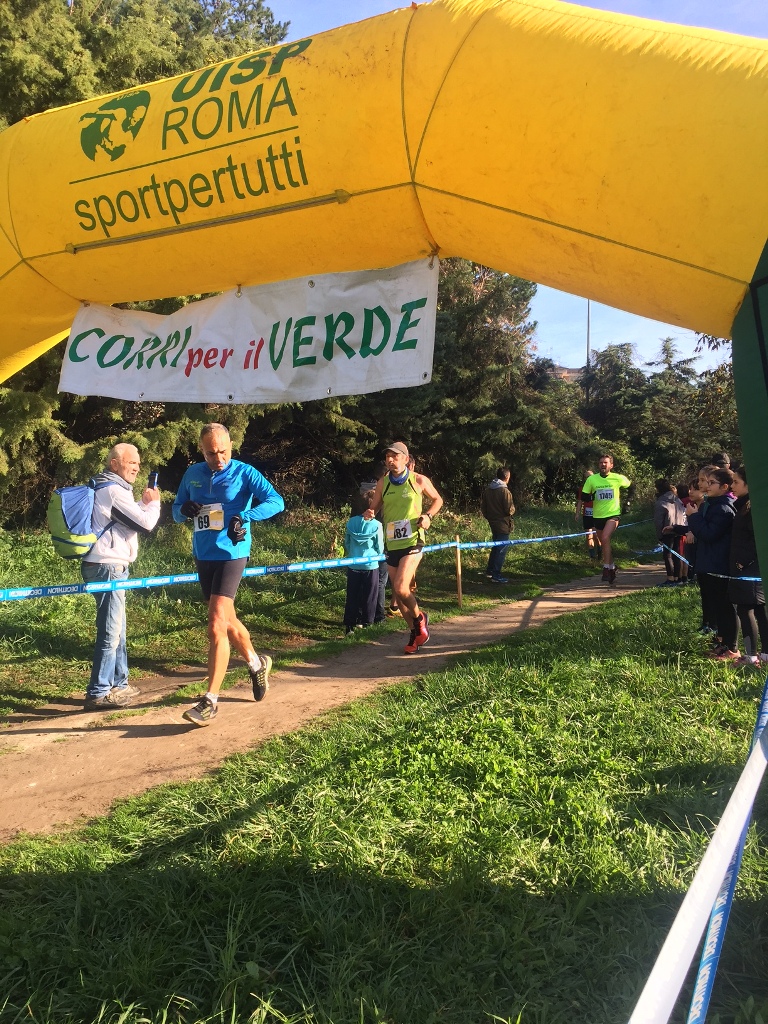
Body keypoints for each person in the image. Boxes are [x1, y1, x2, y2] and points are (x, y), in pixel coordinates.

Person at [173, 423, 285, 726]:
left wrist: (244, 516)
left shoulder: (245, 472)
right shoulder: (192, 474)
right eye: (211, 453)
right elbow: (175, 510)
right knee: (227, 619)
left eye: (223, 451)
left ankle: (210, 700)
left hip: (232, 553)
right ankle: (256, 663)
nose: (218, 458)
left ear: (231, 446)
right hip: (204, 554)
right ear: (202, 451)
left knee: (215, 623)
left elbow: (276, 501)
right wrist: (184, 509)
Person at [81, 443, 161, 710]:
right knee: (111, 631)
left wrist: (142, 504)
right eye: (131, 462)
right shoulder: (113, 489)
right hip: (108, 566)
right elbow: (145, 523)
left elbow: (124, 518)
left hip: (107, 565)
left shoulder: (109, 487)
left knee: (119, 629)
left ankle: (120, 683)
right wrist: (155, 504)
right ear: (114, 464)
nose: (137, 468)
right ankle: (99, 692)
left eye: (138, 463)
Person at [364, 441, 443, 654]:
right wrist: (370, 513)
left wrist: (428, 516)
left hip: (413, 540)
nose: (390, 460)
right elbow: (374, 507)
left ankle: (420, 619)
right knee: (399, 598)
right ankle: (415, 633)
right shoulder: (383, 482)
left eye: (395, 456)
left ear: (406, 459)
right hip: (392, 542)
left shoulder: (418, 480)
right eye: (387, 457)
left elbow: (438, 499)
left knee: (400, 587)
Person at [687, 467, 738, 660]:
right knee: (717, 607)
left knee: (726, 608)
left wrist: (693, 517)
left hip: (718, 566)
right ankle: (722, 644)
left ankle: (731, 648)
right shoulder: (713, 504)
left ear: (724, 487)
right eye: (706, 482)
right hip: (709, 564)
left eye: (711, 483)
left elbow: (709, 534)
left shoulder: (723, 508)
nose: (706, 486)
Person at [728, 465, 768, 668]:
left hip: (749, 570)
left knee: (746, 609)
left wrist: (743, 561)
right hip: (749, 569)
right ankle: (765, 655)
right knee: (760, 610)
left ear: (748, 484)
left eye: (736, 482)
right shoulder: (743, 506)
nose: (732, 486)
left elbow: (757, 539)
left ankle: (751, 657)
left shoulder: (752, 509)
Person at [580, 454, 634, 585]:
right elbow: (584, 496)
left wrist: (628, 503)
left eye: (605, 463)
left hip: (613, 515)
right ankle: (612, 567)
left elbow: (632, 487)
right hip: (598, 516)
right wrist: (591, 497)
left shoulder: (617, 478)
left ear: (611, 465)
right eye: (601, 463)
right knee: (604, 542)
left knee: (604, 537)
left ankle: (605, 568)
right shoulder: (592, 479)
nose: (603, 465)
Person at [343, 489, 384, 634]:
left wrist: (352, 553)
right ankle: (367, 623)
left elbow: (347, 543)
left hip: (353, 564)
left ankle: (349, 625)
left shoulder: (351, 522)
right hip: (370, 565)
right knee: (370, 596)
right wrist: (377, 554)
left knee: (352, 595)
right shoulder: (377, 525)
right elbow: (380, 547)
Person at [480, 467, 516, 583]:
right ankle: (496, 575)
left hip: (492, 522)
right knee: (501, 549)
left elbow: (483, 508)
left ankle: (490, 571)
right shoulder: (505, 491)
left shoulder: (488, 490)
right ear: (507, 477)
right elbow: (508, 509)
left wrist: (490, 517)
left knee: (495, 546)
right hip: (503, 524)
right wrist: (513, 509)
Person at [653, 479, 688, 585]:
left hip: (667, 530)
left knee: (667, 555)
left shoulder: (661, 502)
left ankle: (670, 578)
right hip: (678, 529)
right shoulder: (677, 499)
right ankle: (678, 578)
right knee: (677, 554)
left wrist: (660, 535)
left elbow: (659, 521)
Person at [575, 468, 600, 559]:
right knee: (589, 534)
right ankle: (592, 557)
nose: (587, 479)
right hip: (587, 514)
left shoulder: (598, 487)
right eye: (586, 477)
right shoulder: (582, 489)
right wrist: (577, 513)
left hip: (597, 515)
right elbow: (580, 501)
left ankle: (600, 551)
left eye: (589, 477)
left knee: (596, 535)